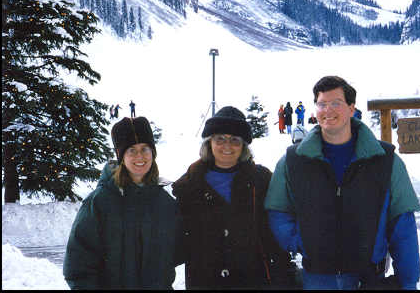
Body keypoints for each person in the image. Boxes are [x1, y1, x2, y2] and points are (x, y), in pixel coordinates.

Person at [265, 76, 420, 290]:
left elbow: (403, 225)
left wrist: (409, 281)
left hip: (368, 279)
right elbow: (277, 210)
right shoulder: (292, 161)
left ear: (351, 108)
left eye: (336, 103)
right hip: (317, 279)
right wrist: (299, 241)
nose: (327, 110)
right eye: (322, 104)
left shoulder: (386, 160)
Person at [172, 106, 297, 290]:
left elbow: (274, 232)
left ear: (244, 146)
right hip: (205, 282)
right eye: (220, 139)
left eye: (235, 140)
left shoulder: (261, 180)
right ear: (209, 142)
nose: (227, 146)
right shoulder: (189, 185)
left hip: (253, 280)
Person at [63, 117, 183, 289]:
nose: (139, 156)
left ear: (153, 153)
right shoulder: (99, 202)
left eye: (145, 149)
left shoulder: (165, 203)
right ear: (121, 156)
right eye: (131, 150)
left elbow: (177, 252)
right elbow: (77, 267)